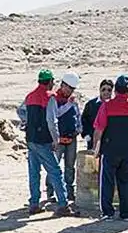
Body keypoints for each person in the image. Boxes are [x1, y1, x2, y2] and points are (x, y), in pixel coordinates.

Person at [17, 69, 73, 216]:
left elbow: (20, 111)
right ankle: (63, 204)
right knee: (55, 172)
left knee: (34, 172)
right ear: (49, 82)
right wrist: (56, 139)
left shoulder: (29, 96)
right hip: (44, 140)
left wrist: (27, 122)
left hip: (31, 139)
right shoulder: (50, 97)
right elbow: (52, 121)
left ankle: (34, 203)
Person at [92, 75, 128, 222]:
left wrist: (96, 149)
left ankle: (108, 212)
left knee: (107, 182)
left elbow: (99, 130)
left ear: (115, 90)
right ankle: (126, 213)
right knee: (126, 182)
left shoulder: (107, 106)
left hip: (110, 150)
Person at [46, 72, 82, 205]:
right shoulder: (54, 99)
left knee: (70, 166)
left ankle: (69, 190)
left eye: (72, 89)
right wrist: (68, 105)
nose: (70, 91)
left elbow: (77, 115)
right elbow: (55, 116)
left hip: (71, 139)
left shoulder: (73, 100)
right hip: (58, 140)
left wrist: (79, 128)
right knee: (54, 166)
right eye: (69, 88)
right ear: (63, 85)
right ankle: (51, 191)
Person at [81, 79, 114, 151]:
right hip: (92, 140)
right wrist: (86, 134)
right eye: (103, 89)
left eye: (109, 90)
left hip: (109, 142)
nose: (106, 92)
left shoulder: (114, 106)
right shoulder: (91, 104)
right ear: (99, 90)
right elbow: (84, 120)